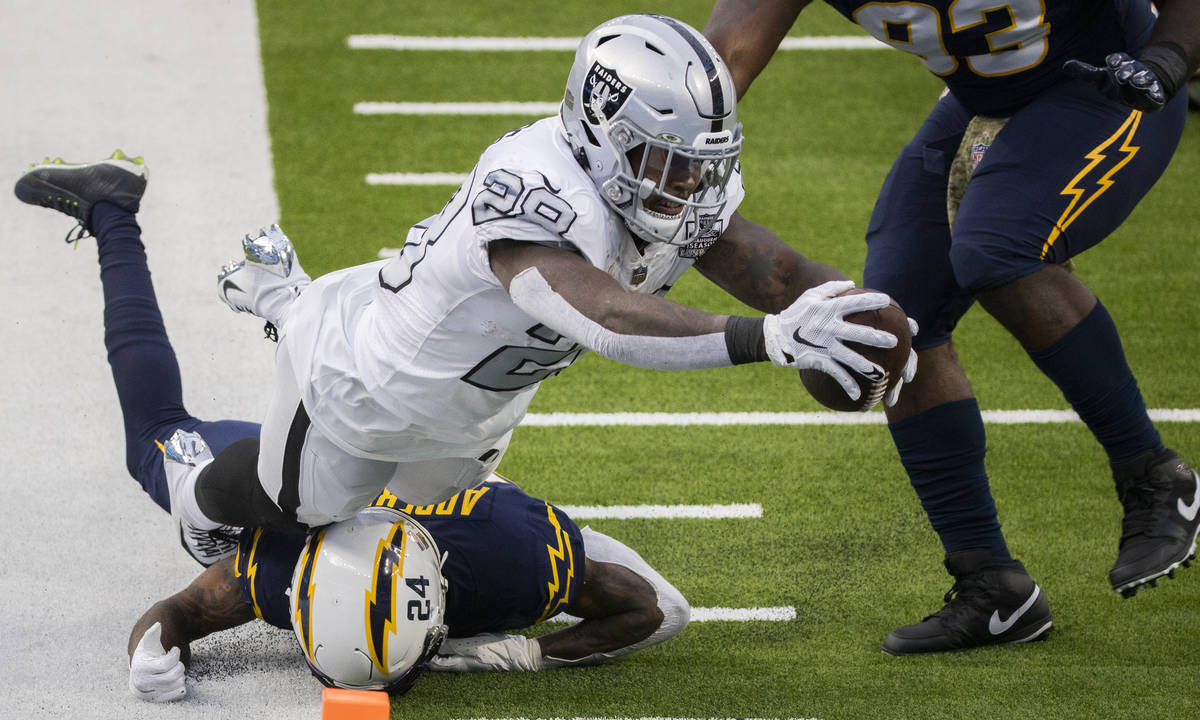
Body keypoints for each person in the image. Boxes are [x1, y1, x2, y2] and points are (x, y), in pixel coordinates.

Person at [169, 13, 914, 554]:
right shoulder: (532, 184)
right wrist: (772, 339)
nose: (690, 182)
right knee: (301, 506)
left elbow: (775, 271)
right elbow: (605, 316)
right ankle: (200, 482)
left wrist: (850, 315)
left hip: (481, 405)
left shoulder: (670, 188)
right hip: (365, 379)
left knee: (418, 509)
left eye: (701, 162)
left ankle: (283, 294)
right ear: (600, 129)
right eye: (667, 159)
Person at [11, 157, 690, 702]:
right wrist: (522, 654)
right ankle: (122, 218)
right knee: (171, 453)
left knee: (395, 399)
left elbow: (661, 609)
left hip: (391, 440)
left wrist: (524, 653)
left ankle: (281, 300)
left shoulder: (499, 556)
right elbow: (659, 610)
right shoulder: (504, 560)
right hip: (317, 459)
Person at [704, 0, 1200, 655]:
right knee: (893, 320)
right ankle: (992, 584)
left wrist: (1167, 58)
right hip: (985, 103)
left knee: (998, 248)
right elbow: (725, 58)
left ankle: (1156, 477)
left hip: (1106, 84)